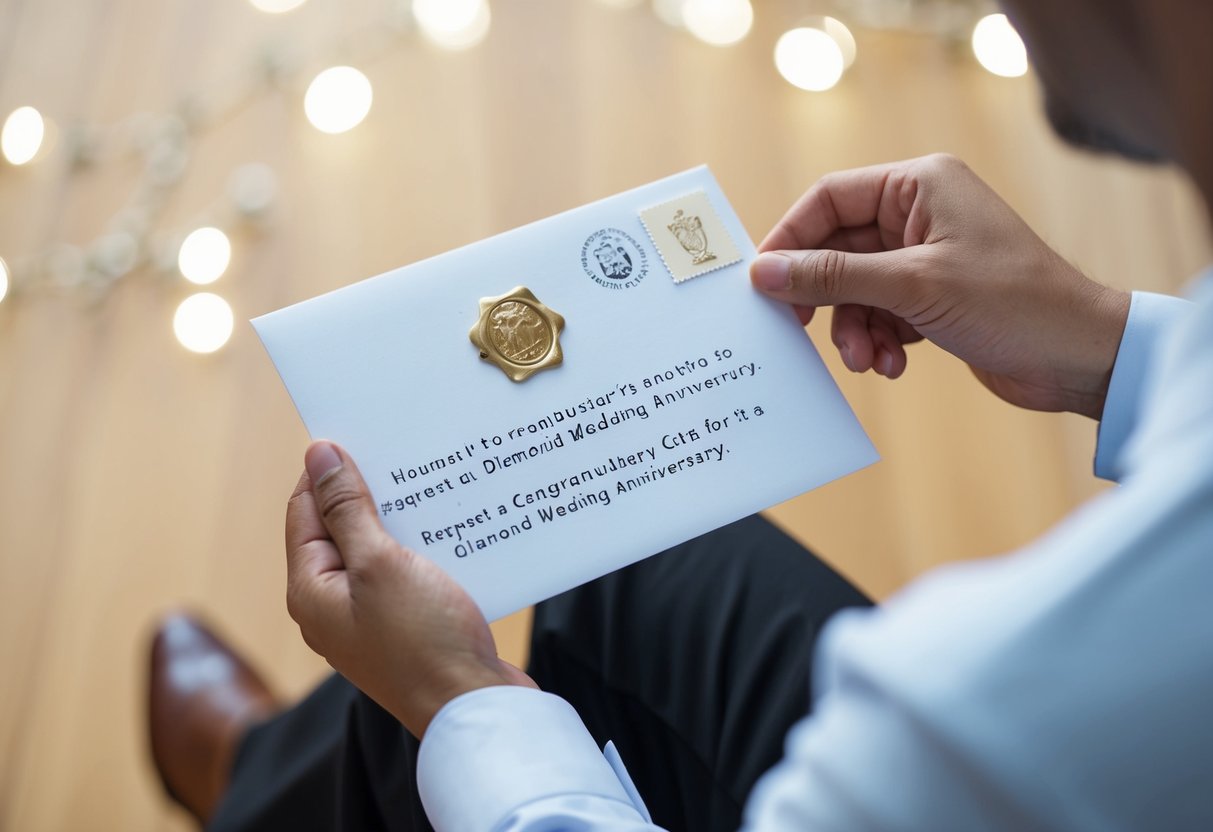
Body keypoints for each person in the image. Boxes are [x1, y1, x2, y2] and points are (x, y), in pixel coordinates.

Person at [148, 0, 1213, 828]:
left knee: (457, 676)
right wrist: (1110, 343)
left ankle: (259, 784)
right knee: (636, 552)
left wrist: (459, 699)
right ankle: (271, 774)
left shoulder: (982, 724)